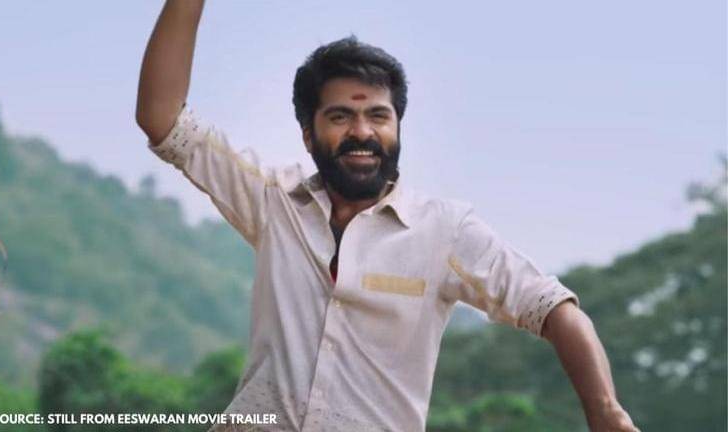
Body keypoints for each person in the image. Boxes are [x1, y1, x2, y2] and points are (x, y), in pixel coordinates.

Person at [136, 2, 639, 431]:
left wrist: (606, 412)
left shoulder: (444, 231)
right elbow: (163, 120)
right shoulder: (273, 201)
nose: (362, 132)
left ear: (398, 127)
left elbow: (554, 309)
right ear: (308, 134)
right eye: (340, 116)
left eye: (378, 115)